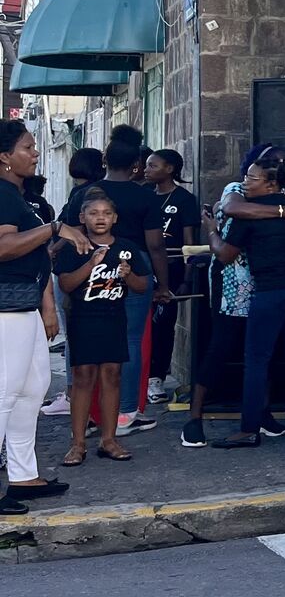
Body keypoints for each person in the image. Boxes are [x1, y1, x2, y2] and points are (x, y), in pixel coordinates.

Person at [178, 145, 285, 449]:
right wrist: (280, 211)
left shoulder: (282, 191)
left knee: (265, 353)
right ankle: (194, 417)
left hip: (268, 281)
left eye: (282, 162)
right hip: (232, 279)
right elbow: (233, 209)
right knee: (221, 346)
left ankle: (260, 414)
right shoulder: (239, 188)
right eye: (273, 161)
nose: (279, 164)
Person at [58, 128, 163, 433]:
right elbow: (155, 245)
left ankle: (87, 415)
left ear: (104, 159)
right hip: (131, 267)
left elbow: (67, 234)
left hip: (87, 270)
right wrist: (163, 284)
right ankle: (125, 413)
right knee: (128, 342)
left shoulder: (84, 194)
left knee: (80, 344)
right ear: (137, 165)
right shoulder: (145, 195)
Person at [0, 120, 71, 513]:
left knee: (34, 387)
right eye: (28, 147)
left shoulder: (16, 194)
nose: (36, 153)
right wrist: (54, 228)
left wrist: (46, 305)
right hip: (5, 309)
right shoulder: (3, 194)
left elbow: (36, 256)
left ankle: (24, 477)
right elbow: (6, 247)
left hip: (24, 304)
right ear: (5, 157)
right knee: (5, 393)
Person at [53, 190, 150, 466]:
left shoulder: (126, 248)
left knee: (112, 374)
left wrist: (129, 276)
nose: (100, 218)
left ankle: (109, 439)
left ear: (115, 218)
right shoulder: (76, 248)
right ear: (82, 217)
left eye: (106, 213)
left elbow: (143, 286)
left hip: (114, 317)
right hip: (84, 319)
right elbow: (66, 285)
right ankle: (78, 443)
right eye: (94, 213)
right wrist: (91, 264)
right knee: (83, 376)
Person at [143, 149, 197, 405]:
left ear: (170, 169)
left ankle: (156, 378)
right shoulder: (144, 196)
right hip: (144, 270)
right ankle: (139, 377)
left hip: (172, 268)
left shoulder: (184, 199)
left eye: (153, 166)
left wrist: (187, 277)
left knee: (163, 325)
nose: (147, 170)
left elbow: (189, 242)